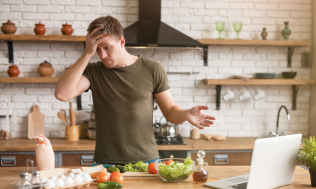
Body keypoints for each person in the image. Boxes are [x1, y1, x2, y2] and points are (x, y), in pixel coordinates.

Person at [54, 16, 216, 165]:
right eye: (97, 49)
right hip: (106, 162)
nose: (102, 55)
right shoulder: (94, 72)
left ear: (122, 41)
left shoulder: (152, 69)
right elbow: (62, 94)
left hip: (147, 161)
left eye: (107, 47)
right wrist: (88, 53)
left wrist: (186, 113)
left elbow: (170, 110)